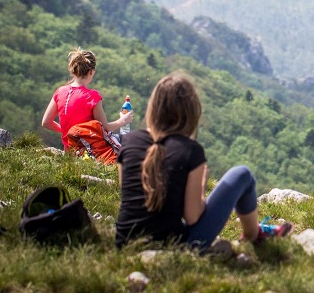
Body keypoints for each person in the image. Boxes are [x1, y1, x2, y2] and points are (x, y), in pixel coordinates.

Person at [115, 71, 292, 250]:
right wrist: (201, 186)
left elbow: (128, 194)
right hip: (174, 248)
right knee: (242, 174)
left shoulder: (129, 141)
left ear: (153, 108)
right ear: (191, 112)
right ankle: (254, 235)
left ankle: (255, 234)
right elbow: (192, 216)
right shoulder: (191, 151)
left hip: (124, 242)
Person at [41, 48, 133, 149]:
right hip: (90, 152)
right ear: (91, 72)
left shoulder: (60, 92)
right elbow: (106, 127)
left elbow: (46, 122)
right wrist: (122, 120)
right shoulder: (92, 97)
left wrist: (66, 131)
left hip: (69, 151)